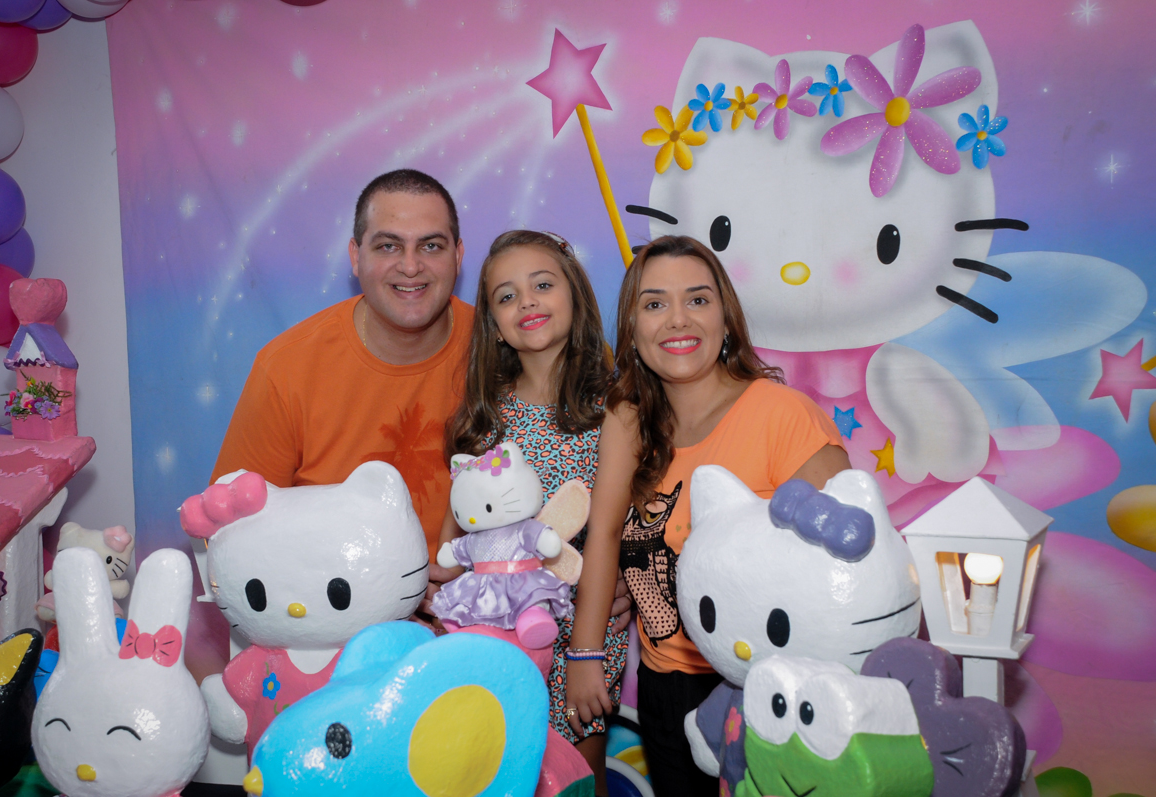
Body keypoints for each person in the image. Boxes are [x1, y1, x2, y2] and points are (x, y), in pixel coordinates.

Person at [605, 235, 850, 797]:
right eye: (654, 303)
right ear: (633, 329)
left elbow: (845, 573)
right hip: (664, 692)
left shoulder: (782, 417)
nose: (678, 319)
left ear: (726, 318)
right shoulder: (632, 429)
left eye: (698, 299)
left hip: (765, 695)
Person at [440, 230, 633, 796]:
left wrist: (586, 654)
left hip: (580, 629)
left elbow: (607, 537)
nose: (526, 302)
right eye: (506, 296)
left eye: (542, 285)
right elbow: (457, 540)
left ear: (573, 292)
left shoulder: (615, 405)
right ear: (494, 324)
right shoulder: (486, 414)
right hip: (492, 634)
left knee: (574, 780)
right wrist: (437, 598)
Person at [212, 168, 472, 559]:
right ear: (355, 256)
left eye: (431, 246)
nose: (410, 266)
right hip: (328, 595)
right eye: (388, 246)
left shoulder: (502, 349)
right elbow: (228, 534)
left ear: (458, 256)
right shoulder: (286, 368)